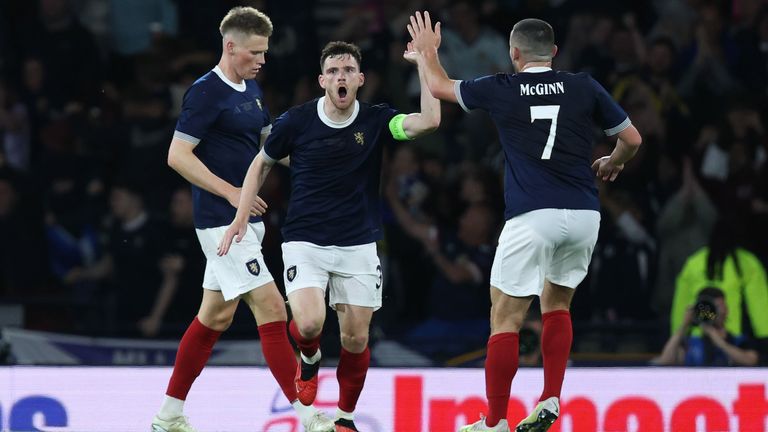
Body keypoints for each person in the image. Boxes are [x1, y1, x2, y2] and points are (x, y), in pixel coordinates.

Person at [408, 13, 643, 432]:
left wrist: (428, 52)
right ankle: (551, 396)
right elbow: (632, 139)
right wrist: (613, 162)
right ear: (553, 53)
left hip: (533, 217)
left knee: (505, 317)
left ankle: (495, 421)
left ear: (513, 53)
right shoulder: (584, 85)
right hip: (585, 215)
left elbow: (440, 86)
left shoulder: (502, 88)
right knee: (557, 306)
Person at [218, 40, 440, 432]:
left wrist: (425, 63)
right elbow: (260, 165)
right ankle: (309, 360)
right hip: (305, 240)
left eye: (348, 71)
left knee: (355, 339)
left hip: (358, 243)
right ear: (323, 80)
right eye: (334, 71)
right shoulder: (296, 122)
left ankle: (346, 418)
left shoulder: (375, 120)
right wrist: (239, 217)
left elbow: (429, 122)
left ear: (360, 80)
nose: (341, 77)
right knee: (308, 324)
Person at [153, 7, 334, 432]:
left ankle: (169, 415)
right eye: (255, 52)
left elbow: (268, 143)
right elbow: (177, 155)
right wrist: (234, 193)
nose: (263, 60)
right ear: (230, 46)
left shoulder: (250, 87)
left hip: (245, 221)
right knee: (271, 306)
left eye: (265, 52)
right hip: (220, 220)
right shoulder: (204, 93)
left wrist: (314, 162)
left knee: (213, 317)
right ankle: (307, 415)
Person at [655, 287, 760, 366]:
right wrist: (684, 325)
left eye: (722, 306)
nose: (721, 311)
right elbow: (665, 361)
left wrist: (719, 341)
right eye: (716, 307)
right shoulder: (691, 344)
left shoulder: (739, 340)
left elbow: (751, 361)